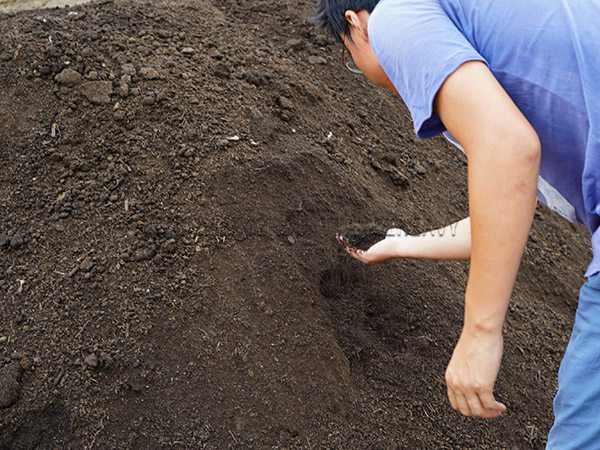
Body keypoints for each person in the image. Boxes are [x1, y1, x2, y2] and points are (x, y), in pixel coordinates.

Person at [312, 0, 600, 448]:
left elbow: (507, 149)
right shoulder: (508, 29)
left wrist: (479, 333)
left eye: (353, 59)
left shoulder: (396, 16)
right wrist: (402, 245)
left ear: (356, 23)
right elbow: (501, 213)